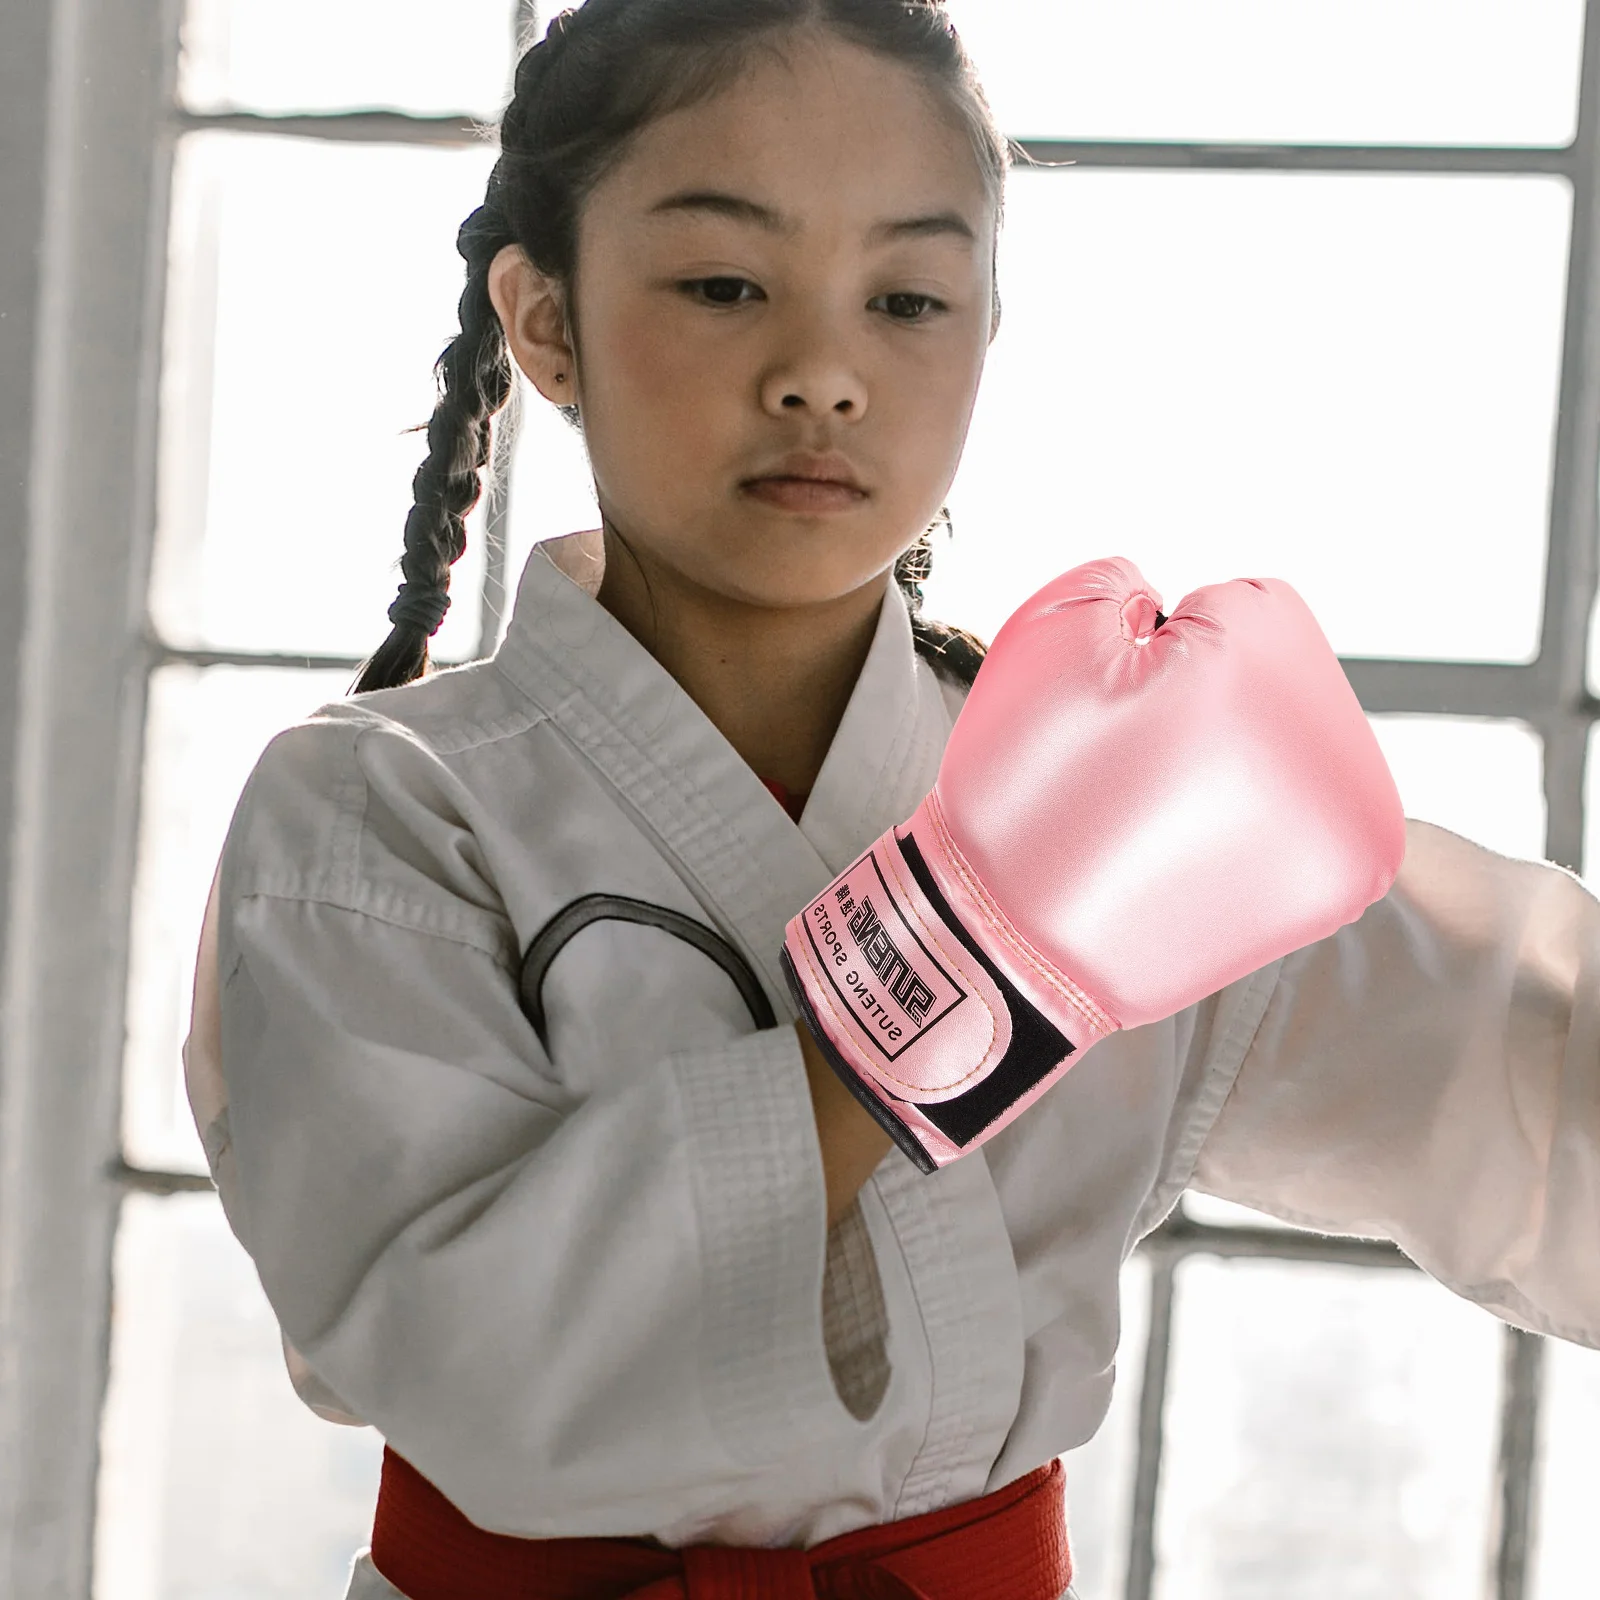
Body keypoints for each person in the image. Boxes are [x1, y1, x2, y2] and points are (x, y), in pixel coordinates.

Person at [180, 3, 1600, 1597]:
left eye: (910, 296)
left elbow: (1526, 1081)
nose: (824, 373)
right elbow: (493, 1370)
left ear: (989, 326)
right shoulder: (374, 814)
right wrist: (980, 958)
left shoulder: (1097, 800)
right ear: (545, 318)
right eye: (725, 285)